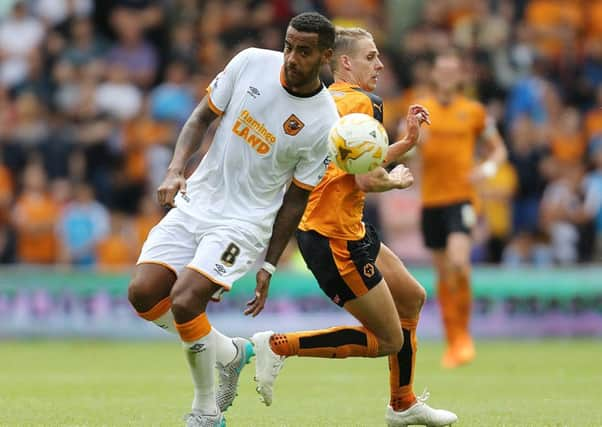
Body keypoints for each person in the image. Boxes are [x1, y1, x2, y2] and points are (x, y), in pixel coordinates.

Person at [127, 12, 339, 427]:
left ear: (326, 56)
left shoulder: (323, 122)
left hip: (243, 223)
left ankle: (206, 412)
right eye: (289, 46)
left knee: (187, 300)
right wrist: (175, 168)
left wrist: (270, 263)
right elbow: (200, 119)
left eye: (304, 51)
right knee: (143, 294)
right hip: (197, 200)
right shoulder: (250, 63)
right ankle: (229, 353)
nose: (292, 57)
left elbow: (296, 201)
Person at [249, 27, 458, 427]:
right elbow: (366, 177)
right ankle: (278, 346)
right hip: (334, 237)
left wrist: (405, 143)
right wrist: (396, 179)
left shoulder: (327, 102)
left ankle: (403, 403)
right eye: (371, 57)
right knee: (388, 339)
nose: (379, 64)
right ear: (345, 62)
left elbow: (349, 161)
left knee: (411, 297)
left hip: (342, 225)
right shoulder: (365, 102)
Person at [416, 51, 506, 368]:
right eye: (442, 69)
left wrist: (488, 169)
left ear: (460, 76)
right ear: (434, 74)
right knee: (443, 272)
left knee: (458, 262)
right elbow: (407, 147)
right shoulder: (421, 109)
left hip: (462, 198)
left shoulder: (474, 111)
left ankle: (464, 336)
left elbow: (498, 150)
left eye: (453, 70)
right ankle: (453, 340)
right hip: (431, 201)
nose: (447, 75)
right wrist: (415, 139)